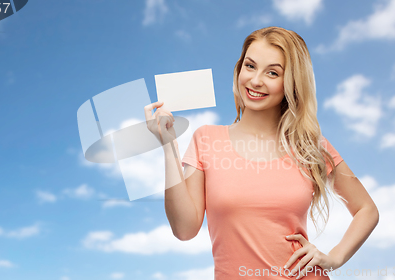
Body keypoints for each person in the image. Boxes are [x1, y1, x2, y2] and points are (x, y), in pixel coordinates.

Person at [144, 26, 379, 280]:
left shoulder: (310, 146)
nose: (256, 80)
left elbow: (367, 209)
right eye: (250, 66)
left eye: (273, 72)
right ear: (239, 69)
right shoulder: (207, 139)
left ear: (291, 82)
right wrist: (168, 145)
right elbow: (184, 229)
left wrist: (333, 258)